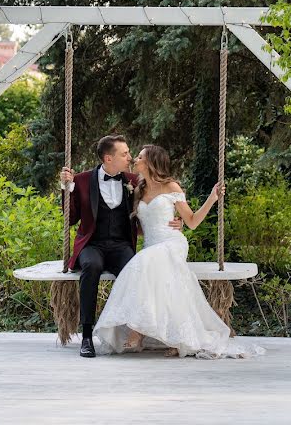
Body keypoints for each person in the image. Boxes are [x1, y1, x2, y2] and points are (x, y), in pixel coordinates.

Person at [93, 144, 264, 359]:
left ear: (151, 162)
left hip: (172, 243)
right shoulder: (137, 190)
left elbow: (192, 222)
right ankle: (173, 337)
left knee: (144, 263)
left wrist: (212, 198)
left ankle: (137, 332)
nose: (135, 159)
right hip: (151, 247)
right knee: (154, 274)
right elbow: (136, 226)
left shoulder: (171, 187)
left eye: (139, 157)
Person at [59, 135, 182, 358]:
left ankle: (136, 330)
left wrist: (177, 221)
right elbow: (70, 219)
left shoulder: (134, 181)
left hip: (121, 245)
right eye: (124, 154)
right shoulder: (83, 180)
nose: (130, 157)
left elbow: (157, 205)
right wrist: (66, 187)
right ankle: (87, 336)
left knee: (137, 270)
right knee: (92, 267)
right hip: (92, 244)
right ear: (108, 158)